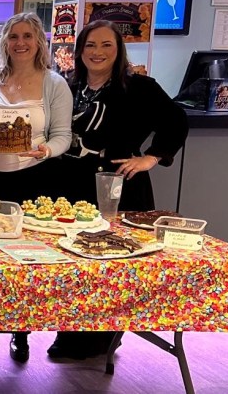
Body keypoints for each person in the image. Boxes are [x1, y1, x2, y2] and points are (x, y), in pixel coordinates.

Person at [49, 20, 187, 360]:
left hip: (119, 186)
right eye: (91, 45)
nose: (97, 52)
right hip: (72, 186)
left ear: (118, 50)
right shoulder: (67, 86)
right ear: (79, 50)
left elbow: (176, 120)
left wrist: (152, 158)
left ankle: (103, 337)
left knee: (113, 264)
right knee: (75, 263)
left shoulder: (140, 87)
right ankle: (72, 333)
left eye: (106, 45)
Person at [0, 12, 73, 372]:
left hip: (33, 181)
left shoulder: (54, 83)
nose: (20, 43)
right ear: (4, 41)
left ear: (39, 41)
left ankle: (21, 330)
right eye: (14, 37)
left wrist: (47, 150)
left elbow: (62, 135)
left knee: (24, 263)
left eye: (28, 36)